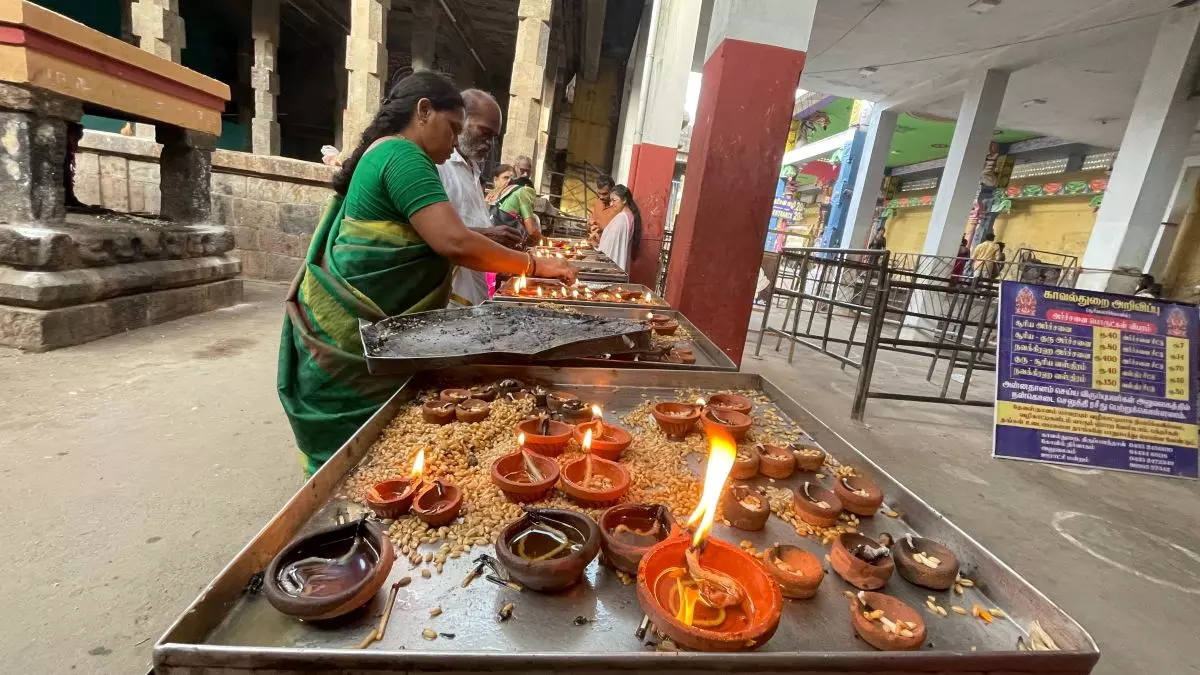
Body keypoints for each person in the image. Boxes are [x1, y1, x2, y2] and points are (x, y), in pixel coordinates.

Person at [277, 72, 575, 476]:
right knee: (357, 455)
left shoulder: (383, 152)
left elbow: (435, 234)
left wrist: (485, 239)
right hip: (356, 334)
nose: (454, 142)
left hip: (357, 326)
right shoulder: (403, 157)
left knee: (359, 455)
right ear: (423, 111)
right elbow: (453, 243)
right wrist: (538, 266)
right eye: (452, 128)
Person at [438, 90, 521, 306]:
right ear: (461, 119)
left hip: (472, 294)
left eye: (494, 137)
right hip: (444, 296)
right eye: (484, 132)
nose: (490, 143)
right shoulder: (439, 165)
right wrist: (487, 237)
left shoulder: (473, 169)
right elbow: (433, 237)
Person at [597, 184, 641, 271]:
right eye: (610, 200)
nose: (611, 204)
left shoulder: (622, 219)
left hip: (611, 268)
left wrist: (597, 246)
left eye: (614, 200)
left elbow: (613, 248)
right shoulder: (627, 216)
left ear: (624, 200)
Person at [588, 174, 622, 244]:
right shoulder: (598, 202)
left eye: (605, 194)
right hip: (595, 245)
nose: (601, 197)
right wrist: (590, 225)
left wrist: (603, 230)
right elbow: (592, 221)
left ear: (613, 190)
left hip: (609, 248)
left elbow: (620, 233)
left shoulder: (619, 207)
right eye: (599, 193)